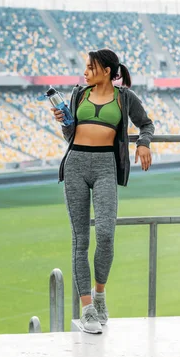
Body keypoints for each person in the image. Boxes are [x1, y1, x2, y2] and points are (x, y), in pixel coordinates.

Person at [51, 48, 155, 334]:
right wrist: (64, 121)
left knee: (106, 234)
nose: (84, 72)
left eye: (90, 67)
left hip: (106, 167)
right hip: (76, 165)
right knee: (80, 239)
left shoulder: (125, 98)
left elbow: (146, 123)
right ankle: (87, 310)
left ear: (107, 70)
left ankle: (99, 295)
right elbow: (69, 135)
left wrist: (143, 143)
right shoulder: (78, 95)